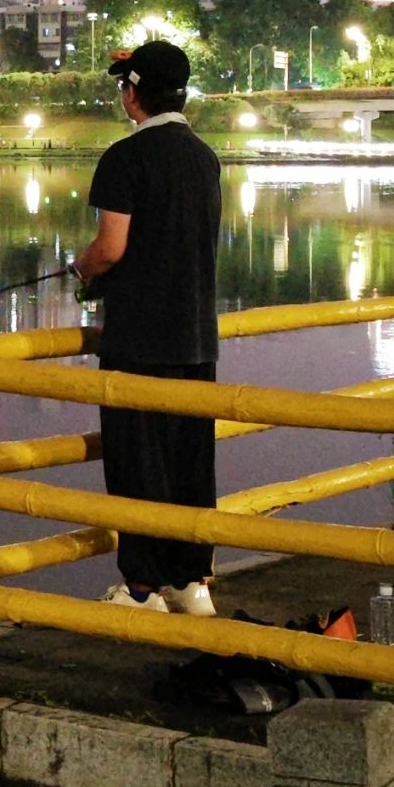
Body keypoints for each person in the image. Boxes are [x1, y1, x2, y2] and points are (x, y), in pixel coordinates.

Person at [71, 40, 222, 616]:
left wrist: (81, 267)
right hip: (195, 336)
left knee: (137, 461)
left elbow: (111, 248)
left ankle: (139, 589)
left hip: (138, 337)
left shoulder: (125, 158)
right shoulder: (204, 157)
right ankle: (191, 582)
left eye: (122, 87)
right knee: (188, 459)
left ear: (133, 93)